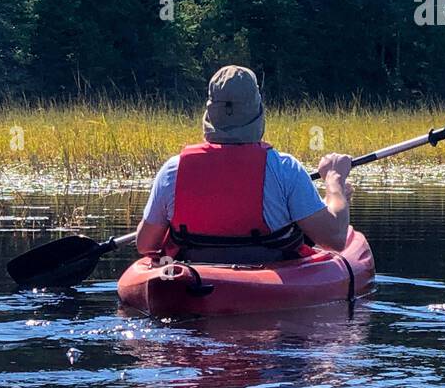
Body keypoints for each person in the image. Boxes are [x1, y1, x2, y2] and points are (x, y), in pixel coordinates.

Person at [133, 66, 353, 263]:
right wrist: (335, 182)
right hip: (267, 284)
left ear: (210, 113)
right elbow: (335, 240)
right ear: (257, 112)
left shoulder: (173, 169)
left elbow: (145, 245)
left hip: (195, 279)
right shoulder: (285, 168)